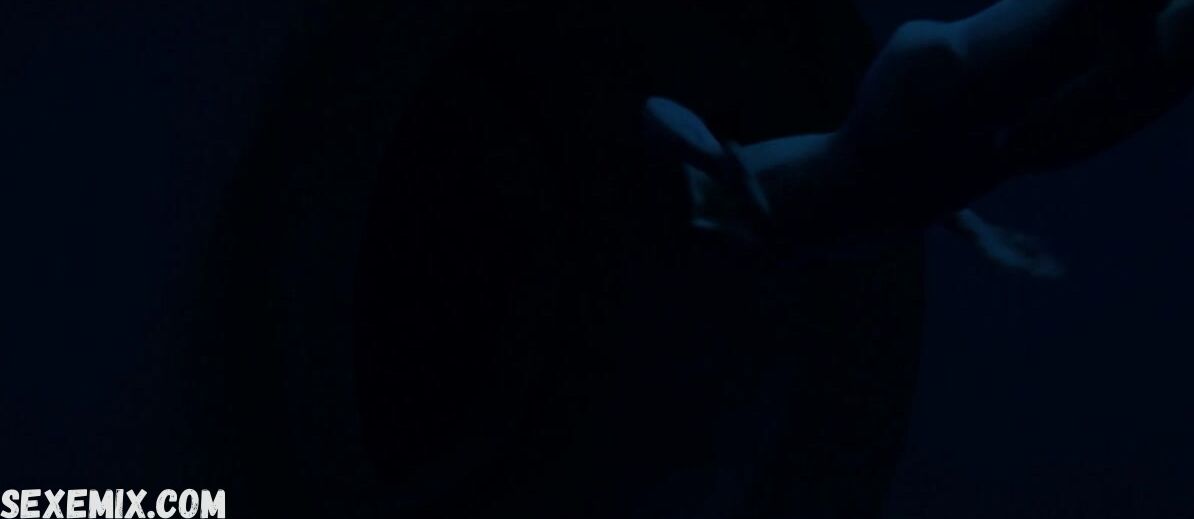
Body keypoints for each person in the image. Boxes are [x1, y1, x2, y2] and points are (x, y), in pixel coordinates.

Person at [353, 0, 1193, 517]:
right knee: (1145, 66)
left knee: (1089, 30)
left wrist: (721, 170)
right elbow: (894, 206)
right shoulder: (773, 243)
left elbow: (659, 113)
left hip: (924, 105)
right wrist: (979, 232)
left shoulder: (724, 204)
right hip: (952, 154)